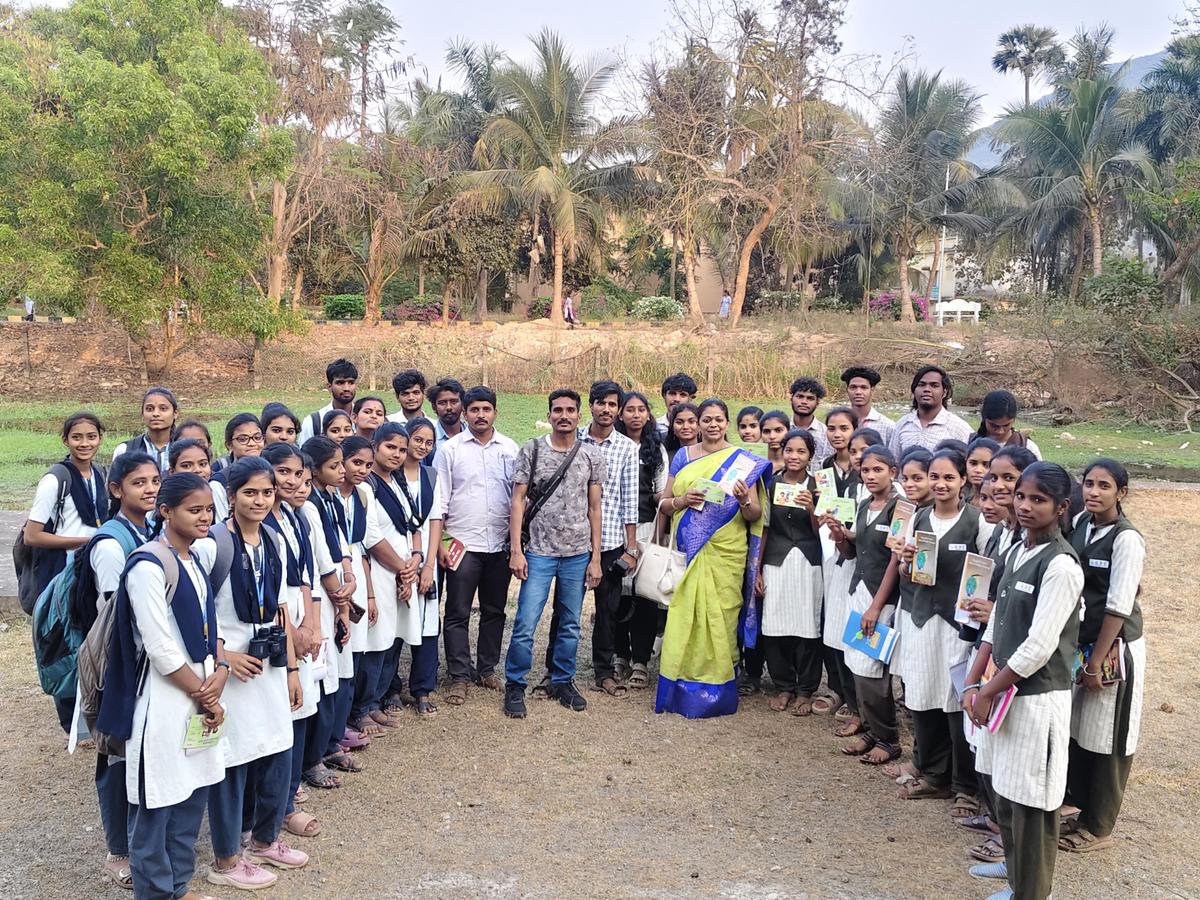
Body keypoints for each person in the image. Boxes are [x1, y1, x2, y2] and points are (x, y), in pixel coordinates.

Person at [97, 473, 227, 900]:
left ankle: (178, 885)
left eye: (209, 509)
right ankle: (154, 891)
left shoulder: (194, 559)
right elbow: (160, 646)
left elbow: (212, 628)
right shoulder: (148, 565)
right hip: (163, 700)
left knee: (190, 795)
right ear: (165, 512)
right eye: (195, 510)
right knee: (156, 803)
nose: (205, 517)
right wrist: (204, 692)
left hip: (198, 693)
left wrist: (220, 672)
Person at [964, 463, 1083, 900]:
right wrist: (972, 682)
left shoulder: (1062, 567)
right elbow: (996, 623)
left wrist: (986, 692)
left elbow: (1037, 648)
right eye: (1021, 496)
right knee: (1007, 789)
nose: (1025, 506)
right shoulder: (1018, 550)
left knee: (1033, 800)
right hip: (1002, 694)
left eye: (1039, 500)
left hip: (1035, 700)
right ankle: (1015, 871)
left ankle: (1032, 891)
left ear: (1062, 507)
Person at [198, 458, 307, 891]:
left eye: (266, 492)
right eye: (250, 493)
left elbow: (280, 607)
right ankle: (225, 860)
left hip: (269, 664)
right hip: (229, 669)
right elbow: (194, 613)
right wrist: (225, 657)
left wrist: (293, 668)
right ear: (231, 495)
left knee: (278, 749)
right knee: (232, 760)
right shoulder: (213, 544)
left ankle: (264, 839)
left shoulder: (275, 542)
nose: (259, 500)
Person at [74, 451, 159, 889]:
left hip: (141, 663)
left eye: (154, 481)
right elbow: (113, 618)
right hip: (116, 665)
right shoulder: (110, 544)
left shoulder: (145, 529)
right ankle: (116, 851)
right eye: (138, 482)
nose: (148, 489)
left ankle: (138, 838)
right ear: (116, 489)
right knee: (114, 756)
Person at [655, 399, 770, 718]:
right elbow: (664, 504)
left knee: (722, 613)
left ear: (727, 422)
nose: (713, 425)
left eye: (719, 419)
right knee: (686, 613)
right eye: (707, 419)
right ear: (699, 423)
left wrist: (746, 500)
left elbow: (756, 515)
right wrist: (680, 500)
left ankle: (720, 683)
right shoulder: (683, 456)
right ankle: (681, 681)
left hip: (727, 551)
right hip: (689, 547)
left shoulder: (745, 461)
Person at [894, 450, 992, 818]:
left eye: (949, 477)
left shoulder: (976, 522)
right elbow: (908, 572)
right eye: (934, 476)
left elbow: (988, 571)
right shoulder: (918, 517)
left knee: (955, 702)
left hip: (956, 626)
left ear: (963, 481)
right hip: (921, 618)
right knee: (922, 695)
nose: (940, 484)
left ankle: (964, 785)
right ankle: (934, 774)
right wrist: (906, 561)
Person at [504, 389, 606, 718]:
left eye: (570, 410)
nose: (564, 415)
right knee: (525, 622)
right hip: (538, 552)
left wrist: (596, 557)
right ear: (548, 415)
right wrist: (517, 550)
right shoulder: (532, 451)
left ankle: (562, 680)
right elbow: (517, 501)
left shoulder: (591, 455)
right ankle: (515, 685)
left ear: (579, 416)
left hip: (577, 553)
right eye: (557, 410)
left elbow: (594, 508)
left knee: (571, 623)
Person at [1061, 459, 1145, 855]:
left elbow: (1119, 606)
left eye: (1104, 486)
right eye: (1089, 484)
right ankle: (1080, 806)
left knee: (1110, 736)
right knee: (1081, 729)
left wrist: (1096, 661)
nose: (1094, 492)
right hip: (1084, 643)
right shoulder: (1082, 525)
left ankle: (1099, 825)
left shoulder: (1126, 539)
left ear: (1121, 493)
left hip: (1114, 648)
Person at [539, 380, 638, 697]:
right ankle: (553, 671)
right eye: (600, 403)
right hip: (571, 540)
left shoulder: (627, 448)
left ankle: (604, 672)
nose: (606, 409)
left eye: (612, 404)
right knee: (564, 609)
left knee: (607, 611)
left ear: (618, 410)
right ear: (589, 409)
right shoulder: (572, 440)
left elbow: (629, 501)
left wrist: (631, 548)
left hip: (609, 541)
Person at [427, 386, 518, 706]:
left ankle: (487, 668)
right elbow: (439, 501)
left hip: (499, 544)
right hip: (462, 545)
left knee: (495, 610)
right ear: (465, 413)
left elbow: (518, 497)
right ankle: (459, 675)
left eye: (486, 409)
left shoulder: (509, 448)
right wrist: (439, 544)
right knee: (457, 611)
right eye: (474, 410)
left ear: (495, 412)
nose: (481, 415)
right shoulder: (450, 450)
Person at [261, 443, 324, 839]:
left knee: (300, 715)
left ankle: (286, 798)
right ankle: (274, 810)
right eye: (281, 473)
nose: (290, 480)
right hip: (279, 633)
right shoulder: (261, 522)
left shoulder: (297, 517)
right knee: (279, 719)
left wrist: (313, 626)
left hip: (303, 625)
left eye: (297, 473)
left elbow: (307, 576)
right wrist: (294, 636)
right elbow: (274, 590)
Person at [825, 445, 902, 766]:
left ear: (893, 472)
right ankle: (872, 729)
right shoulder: (864, 505)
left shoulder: (901, 509)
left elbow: (895, 562)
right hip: (859, 592)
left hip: (880, 599)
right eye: (866, 471)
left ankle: (889, 738)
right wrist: (840, 535)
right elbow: (852, 552)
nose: (870, 476)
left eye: (878, 470)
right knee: (857, 665)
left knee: (872, 670)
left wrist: (875, 607)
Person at [755, 428, 823, 715]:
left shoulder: (820, 484)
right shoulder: (771, 483)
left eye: (801, 452)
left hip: (809, 561)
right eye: (789, 451)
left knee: (808, 626)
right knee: (774, 625)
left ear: (810, 456)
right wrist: (757, 569)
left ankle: (806, 690)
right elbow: (765, 528)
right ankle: (783, 685)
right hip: (777, 561)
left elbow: (828, 533)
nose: (794, 456)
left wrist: (812, 508)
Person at [613, 391, 669, 690]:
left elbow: (662, 495)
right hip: (614, 529)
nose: (635, 415)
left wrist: (659, 537)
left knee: (644, 595)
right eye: (629, 409)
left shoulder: (655, 448)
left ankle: (641, 660)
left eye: (641, 409)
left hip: (646, 527)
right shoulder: (613, 445)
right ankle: (619, 654)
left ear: (649, 414)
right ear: (620, 414)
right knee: (617, 595)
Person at [392, 419, 443, 716]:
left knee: (426, 625)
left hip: (425, 562)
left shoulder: (431, 476)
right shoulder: (387, 475)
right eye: (417, 440)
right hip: (394, 562)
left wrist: (428, 566)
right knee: (396, 626)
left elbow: (435, 522)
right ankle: (391, 689)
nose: (422, 446)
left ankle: (423, 688)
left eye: (428, 442)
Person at [887, 365, 973, 457]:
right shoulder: (902, 425)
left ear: (944, 393)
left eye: (934, 385)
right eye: (921, 385)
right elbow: (894, 463)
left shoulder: (959, 428)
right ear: (914, 390)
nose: (927, 389)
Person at [113, 387, 178, 476]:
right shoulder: (125, 450)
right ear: (142, 414)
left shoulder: (186, 450)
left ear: (175, 413)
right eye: (149, 409)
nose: (156, 414)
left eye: (163, 409)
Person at [300, 358, 359, 444]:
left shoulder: (364, 419)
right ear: (329, 387)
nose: (347, 388)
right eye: (340, 383)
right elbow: (303, 455)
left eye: (351, 382)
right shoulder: (313, 422)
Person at [170, 438, 229, 523]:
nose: (197, 470)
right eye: (186, 466)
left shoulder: (217, 494)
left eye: (203, 464)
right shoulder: (167, 501)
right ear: (172, 472)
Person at [977, 390, 1042, 459]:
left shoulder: (1028, 448)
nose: (1000, 431)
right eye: (994, 426)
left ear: (1013, 420)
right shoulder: (970, 442)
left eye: (1006, 425)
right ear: (984, 419)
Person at [841, 366, 895, 447]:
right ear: (847, 390)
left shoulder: (888, 427)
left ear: (872, 390)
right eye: (853, 387)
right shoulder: (839, 423)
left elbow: (892, 458)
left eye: (864, 387)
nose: (858, 392)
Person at [788, 377, 832, 461]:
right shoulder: (782, 430)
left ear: (817, 402)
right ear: (791, 398)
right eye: (800, 396)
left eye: (810, 398)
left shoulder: (826, 434)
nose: (804, 401)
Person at [427, 378, 466, 460]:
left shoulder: (473, 435)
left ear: (463, 404)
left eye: (454, 401)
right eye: (442, 403)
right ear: (434, 407)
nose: (449, 407)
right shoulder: (428, 439)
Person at [655, 372, 698, 437]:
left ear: (690, 398)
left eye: (683, 395)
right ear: (664, 396)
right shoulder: (654, 427)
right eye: (672, 394)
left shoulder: (698, 427)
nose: (677, 399)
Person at [965, 437, 1001, 506]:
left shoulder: (1001, 505)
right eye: (973, 463)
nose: (978, 470)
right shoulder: (962, 502)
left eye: (986, 465)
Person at [758, 410, 791, 478]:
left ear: (788, 431)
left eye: (778, 430)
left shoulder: (795, 464)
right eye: (766, 431)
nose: (772, 436)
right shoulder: (756, 464)